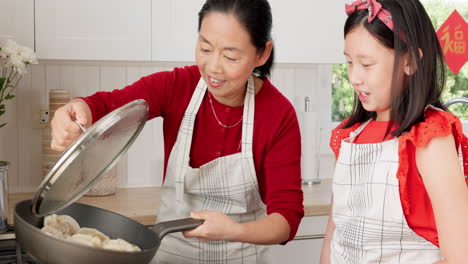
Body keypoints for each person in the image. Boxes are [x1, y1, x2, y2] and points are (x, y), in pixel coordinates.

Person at [50, 0, 304, 263]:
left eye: (230, 56)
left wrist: (234, 230)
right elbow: (108, 105)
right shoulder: (176, 86)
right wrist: (75, 108)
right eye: (205, 48)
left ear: (262, 54)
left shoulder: (278, 114)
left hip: (244, 256)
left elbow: (287, 217)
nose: (214, 67)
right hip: (173, 255)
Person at [320, 0, 468, 263]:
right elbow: (333, 237)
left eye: (366, 64)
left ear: (409, 62)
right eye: (349, 62)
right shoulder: (349, 136)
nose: (354, 77)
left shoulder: (429, 138)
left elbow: (460, 257)